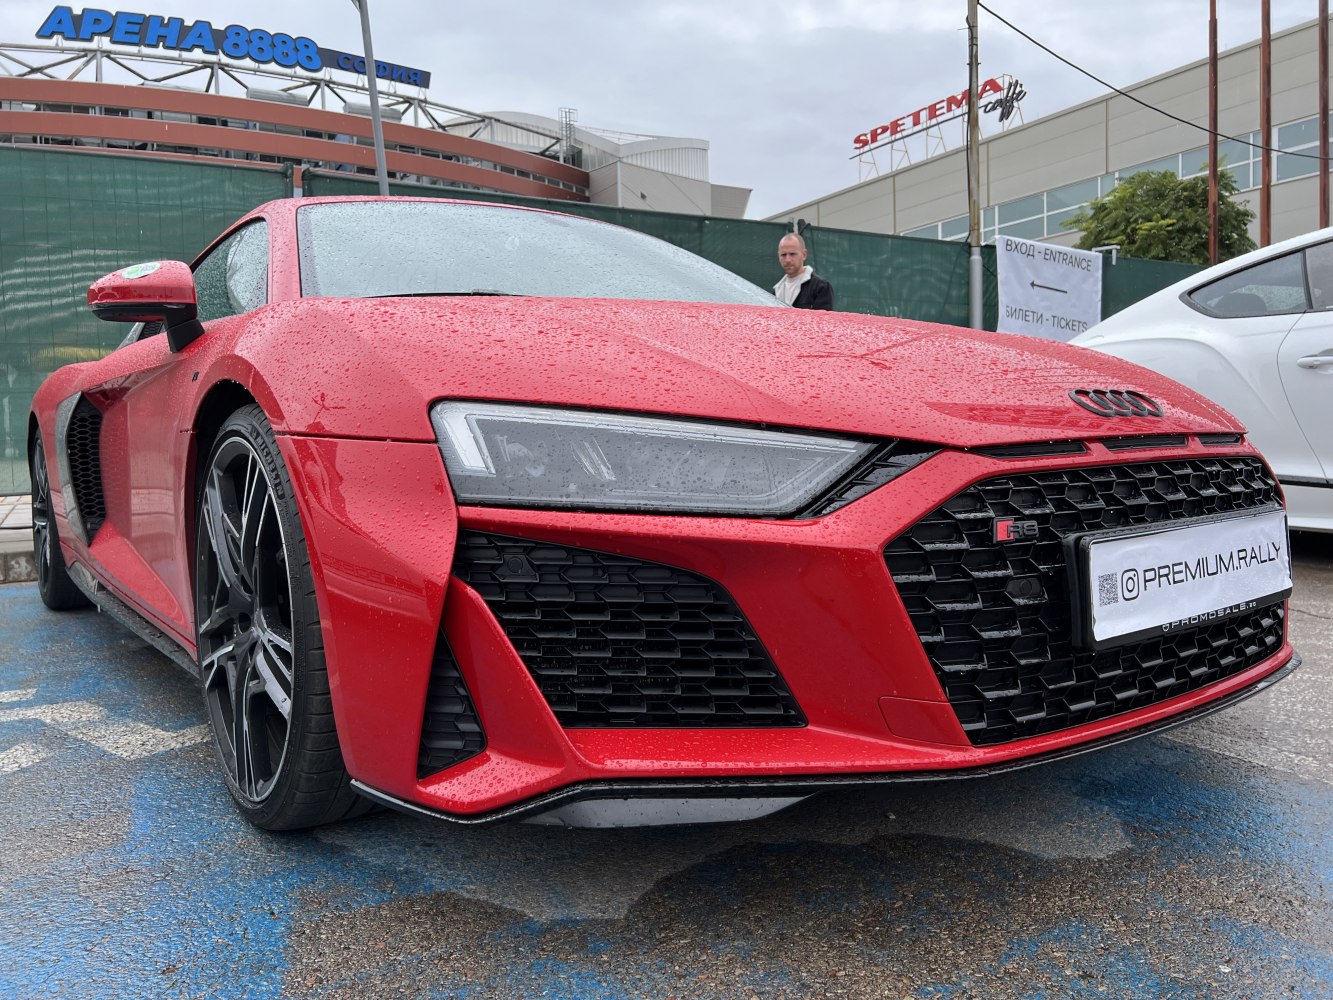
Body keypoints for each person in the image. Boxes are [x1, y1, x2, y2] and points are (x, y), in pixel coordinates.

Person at [773, 233, 833, 310]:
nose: (787, 260)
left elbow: (824, 321)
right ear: (778, 257)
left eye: (792, 254)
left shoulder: (821, 287)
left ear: (804, 255)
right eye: (783, 255)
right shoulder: (776, 291)